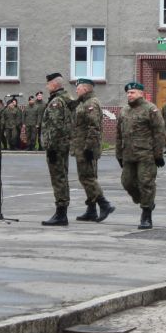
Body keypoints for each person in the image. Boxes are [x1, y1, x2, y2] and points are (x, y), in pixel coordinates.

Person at [116, 81, 165, 230]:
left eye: (132, 92)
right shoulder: (124, 111)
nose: (129, 95)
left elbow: (159, 132)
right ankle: (146, 201)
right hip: (128, 154)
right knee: (127, 182)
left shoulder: (151, 109)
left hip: (146, 154)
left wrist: (158, 154)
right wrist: (119, 154)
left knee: (146, 183)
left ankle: (146, 214)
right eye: (128, 93)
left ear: (140, 93)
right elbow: (119, 134)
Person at [71, 78, 115, 222]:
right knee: (87, 177)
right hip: (81, 146)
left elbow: (94, 127)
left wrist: (89, 148)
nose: (76, 90)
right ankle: (91, 210)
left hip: (86, 147)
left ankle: (104, 204)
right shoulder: (84, 102)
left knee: (87, 178)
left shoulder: (91, 103)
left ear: (85, 89)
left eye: (78, 88)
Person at [40, 72, 73, 226]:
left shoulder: (56, 102)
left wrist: (52, 147)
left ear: (54, 84)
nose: (47, 86)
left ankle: (61, 214)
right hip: (62, 145)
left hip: (56, 147)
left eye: (48, 83)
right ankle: (61, 212)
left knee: (58, 178)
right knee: (62, 177)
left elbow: (55, 126)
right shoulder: (65, 98)